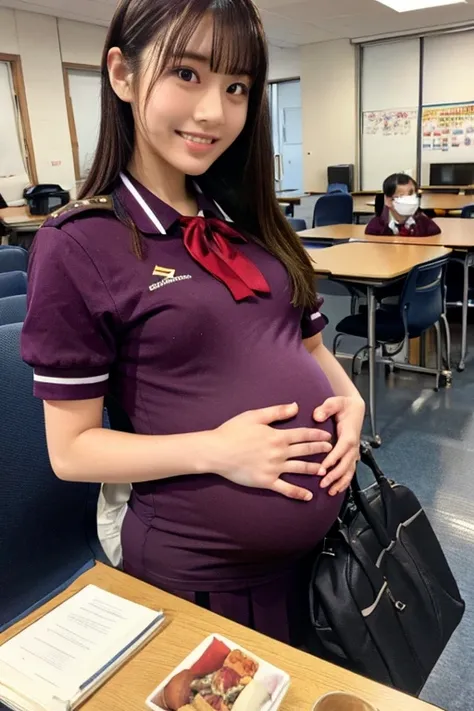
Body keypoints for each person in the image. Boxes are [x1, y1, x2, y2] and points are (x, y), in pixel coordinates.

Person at [21, 0, 365, 646]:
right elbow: (71, 452)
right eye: (187, 74)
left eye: (236, 87)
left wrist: (350, 399)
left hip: (318, 564)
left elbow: (309, 344)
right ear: (122, 75)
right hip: (204, 576)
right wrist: (218, 449)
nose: (214, 111)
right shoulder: (82, 243)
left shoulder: (248, 220)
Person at [366, 173, 441, 237]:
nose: (411, 200)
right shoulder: (375, 227)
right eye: (402, 196)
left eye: (412, 195)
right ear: (388, 200)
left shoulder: (425, 224)